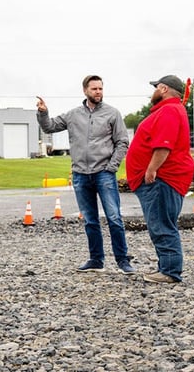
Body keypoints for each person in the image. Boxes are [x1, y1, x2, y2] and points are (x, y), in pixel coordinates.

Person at [37, 75, 134, 274]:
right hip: (81, 175)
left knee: (114, 217)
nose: (98, 92)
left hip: (104, 173)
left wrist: (112, 166)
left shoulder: (112, 113)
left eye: (100, 88)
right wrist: (43, 113)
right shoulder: (73, 115)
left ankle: (123, 260)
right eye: (94, 89)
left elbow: (123, 142)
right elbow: (49, 127)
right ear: (85, 91)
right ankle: (96, 260)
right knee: (90, 220)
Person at [126, 75, 194, 284]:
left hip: (162, 179)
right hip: (165, 179)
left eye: (156, 87)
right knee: (162, 224)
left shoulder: (169, 110)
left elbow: (164, 144)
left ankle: (169, 271)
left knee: (161, 225)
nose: (153, 91)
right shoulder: (172, 110)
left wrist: (151, 169)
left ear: (164, 89)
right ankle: (166, 266)